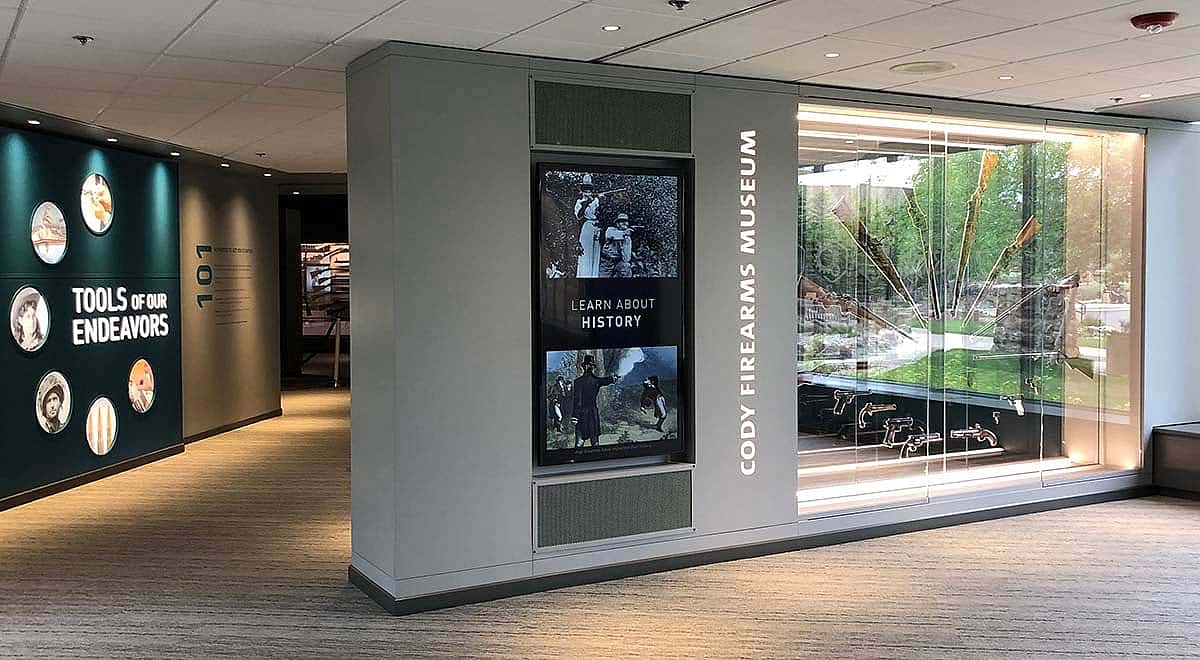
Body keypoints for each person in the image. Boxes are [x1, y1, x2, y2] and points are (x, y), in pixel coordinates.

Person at [571, 354, 618, 448]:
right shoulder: (596, 381)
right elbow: (606, 380)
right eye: (591, 365)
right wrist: (613, 378)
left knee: (579, 442)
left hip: (582, 415)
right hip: (593, 413)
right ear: (591, 367)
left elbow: (578, 401)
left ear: (584, 366)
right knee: (595, 442)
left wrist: (575, 416)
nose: (590, 367)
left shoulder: (578, 382)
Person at [575, 175, 602, 277]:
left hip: (596, 227)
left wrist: (597, 200)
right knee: (586, 254)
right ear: (582, 192)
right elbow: (579, 216)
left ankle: (593, 278)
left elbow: (600, 214)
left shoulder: (596, 201)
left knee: (595, 254)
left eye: (589, 191)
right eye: (585, 191)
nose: (587, 193)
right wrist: (588, 202)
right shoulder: (579, 202)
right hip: (587, 228)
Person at [600, 214, 635, 278]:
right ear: (617, 224)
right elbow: (610, 235)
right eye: (622, 221)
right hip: (606, 262)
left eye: (626, 221)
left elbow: (626, 258)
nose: (625, 223)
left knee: (626, 266)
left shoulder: (627, 237)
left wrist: (626, 240)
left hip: (617, 262)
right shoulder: (611, 230)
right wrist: (624, 233)